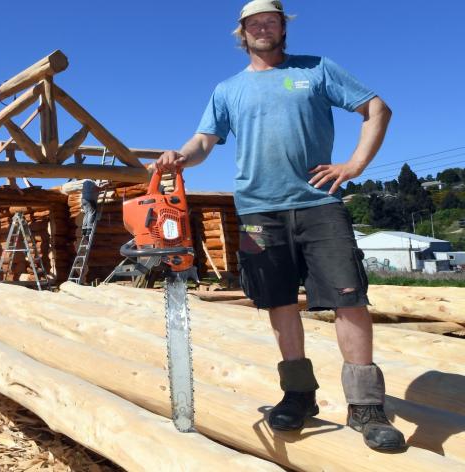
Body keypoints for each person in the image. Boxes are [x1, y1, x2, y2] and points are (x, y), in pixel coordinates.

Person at [153, 0, 404, 450]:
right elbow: (205, 140)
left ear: (283, 28)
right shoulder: (227, 89)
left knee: (349, 299)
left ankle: (366, 408)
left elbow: (377, 109)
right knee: (278, 301)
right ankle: (299, 394)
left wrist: (355, 164)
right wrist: (180, 156)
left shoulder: (317, 69)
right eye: (254, 24)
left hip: (319, 205)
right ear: (242, 33)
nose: (263, 29)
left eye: (271, 21)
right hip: (256, 213)